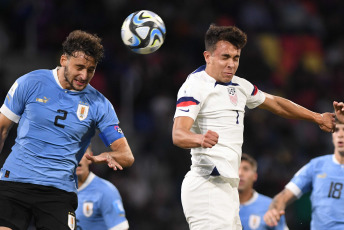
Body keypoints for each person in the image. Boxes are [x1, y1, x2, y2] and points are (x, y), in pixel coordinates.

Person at [171, 24, 335, 230]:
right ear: (208, 57)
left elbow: (276, 103)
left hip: (228, 189)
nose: (231, 64)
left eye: (236, 58)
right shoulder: (195, 86)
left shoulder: (240, 86)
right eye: (225, 57)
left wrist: (318, 117)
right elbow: (178, 134)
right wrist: (199, 139)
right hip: (207, 186)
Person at [0, 30, 134, 230]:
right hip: (15, 181)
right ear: (64, 60)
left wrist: (108, 154)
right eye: (79, 67)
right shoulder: (30, 82)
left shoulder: (99, 104)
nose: (84, 75)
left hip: (58, 192)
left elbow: (126, 155)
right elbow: (2, 129)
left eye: (91, 69)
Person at [263, 119, 344, 230]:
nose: (340, 135)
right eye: (337, 130)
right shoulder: (316, 166)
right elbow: (283, 196)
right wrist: (273, 210)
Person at [76, 145, 129, 230]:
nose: (78, 159)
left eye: (82, 153)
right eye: (73, 153)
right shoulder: (57, 190)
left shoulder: (106, 191)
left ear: (90, 157)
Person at [239, 153, 288, 230]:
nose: (240, 173)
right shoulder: (219, 203)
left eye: (245, 169)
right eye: (236, 169)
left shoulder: (270, 206)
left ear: (255, 176)